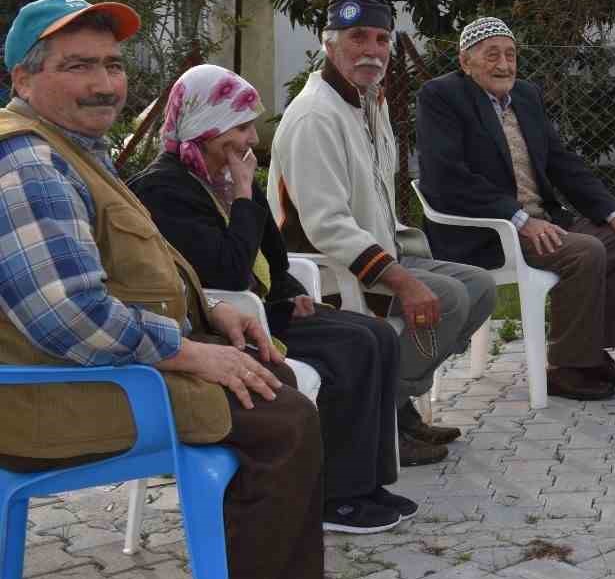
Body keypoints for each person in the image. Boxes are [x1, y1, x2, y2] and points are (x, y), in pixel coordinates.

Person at [0, 0, 355, 579]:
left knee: (271, 380)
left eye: (112, 64)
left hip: (92, 371)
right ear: (23, 76)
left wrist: (212, 314)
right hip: (52, 397)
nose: (105, 84)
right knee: (280, 419)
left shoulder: (73, 148)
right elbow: (67, 314)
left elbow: (138, 267)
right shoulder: (29, 164)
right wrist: (192, 351)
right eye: (78, 66)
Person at [130, 63, 424, 530]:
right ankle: (335, 499)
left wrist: (289, 288)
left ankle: (365, 483)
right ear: (205, 124)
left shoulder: (220, 174)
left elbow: (272, 250)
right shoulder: (166, 188)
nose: (250, 139)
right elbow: (225, 267)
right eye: (241, 126)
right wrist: (245, 193)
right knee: (350, 349)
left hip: (264, 310)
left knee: (375, 336)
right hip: (221, 325)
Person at [267, 0, 496, 464]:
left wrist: (407, 257)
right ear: (329, 45)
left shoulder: (369, 102)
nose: (372, 51)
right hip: (329, 270)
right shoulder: (315, 115)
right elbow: (327, 225)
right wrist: (404, 280)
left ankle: (393, 403)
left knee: (479, 286)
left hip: (375, 253)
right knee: (448, 299)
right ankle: (379, 416)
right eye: (357, 38)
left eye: (381, 39)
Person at [415, 17, 615, 402]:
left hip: (538, 223)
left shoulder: (525, 96)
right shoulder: (440, 97)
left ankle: (590, 356)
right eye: (492, 55)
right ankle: (563, 369)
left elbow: (561, 162)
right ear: (465, 61)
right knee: (586, 251)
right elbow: (447, 178)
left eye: (510, 54)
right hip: (485, 232)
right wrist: (518, 219)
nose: (504, 64)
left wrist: (613, 212)